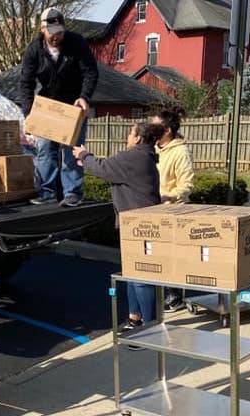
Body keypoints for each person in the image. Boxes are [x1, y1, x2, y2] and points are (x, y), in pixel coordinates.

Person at [73, 123, 164, 350]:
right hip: (134, 224)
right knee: (132, 274)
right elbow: (108, 169)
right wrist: (87, 161)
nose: (127, 137)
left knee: (141, 278)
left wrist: (84, 154)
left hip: (141, 226)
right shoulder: (142, 156)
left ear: (139, 139)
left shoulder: (136, 157)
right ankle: (135, 319)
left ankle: (150, 329)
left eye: (130, 134)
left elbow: (104, 167)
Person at [20, 7, 99, 207]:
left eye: (60, 33)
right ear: (42, 29)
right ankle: (47, 192)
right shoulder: (33, 50)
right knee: (45, 149)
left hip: (73, 105)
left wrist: (84, 97)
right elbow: (26, 83)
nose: (56, 37)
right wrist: (28, 113)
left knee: (72, 150)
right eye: (52, 33)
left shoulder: (76, 43)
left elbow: (90, 72)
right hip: (47, 105)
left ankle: (73, 193)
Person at [152, 109, 195, 312]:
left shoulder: (181, 152)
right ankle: (162, 293)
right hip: (153, 210)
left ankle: (175, 297)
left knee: (172, 257)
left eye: (155, 125)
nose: (151, 128)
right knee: (157, 256)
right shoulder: (153, 148)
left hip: (173, 211)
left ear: (167, 130)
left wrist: (168, 196)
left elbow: (187, 185)